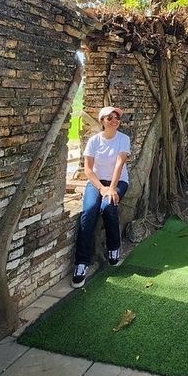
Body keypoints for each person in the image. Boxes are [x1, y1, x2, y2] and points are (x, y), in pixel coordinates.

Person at [71, 105, 131, 288]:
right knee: (88, 213)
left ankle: (114, 248)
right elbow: (88, 170)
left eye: (117, 118)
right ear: (102, 121)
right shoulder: (94, 141)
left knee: (108, 206)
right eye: (110, 118)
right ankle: (81, 263)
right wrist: (101, 188)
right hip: (96, 182)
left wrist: (111, 188)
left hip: (118, 182)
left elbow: (119, 164)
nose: (114, 121)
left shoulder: (123, 139)